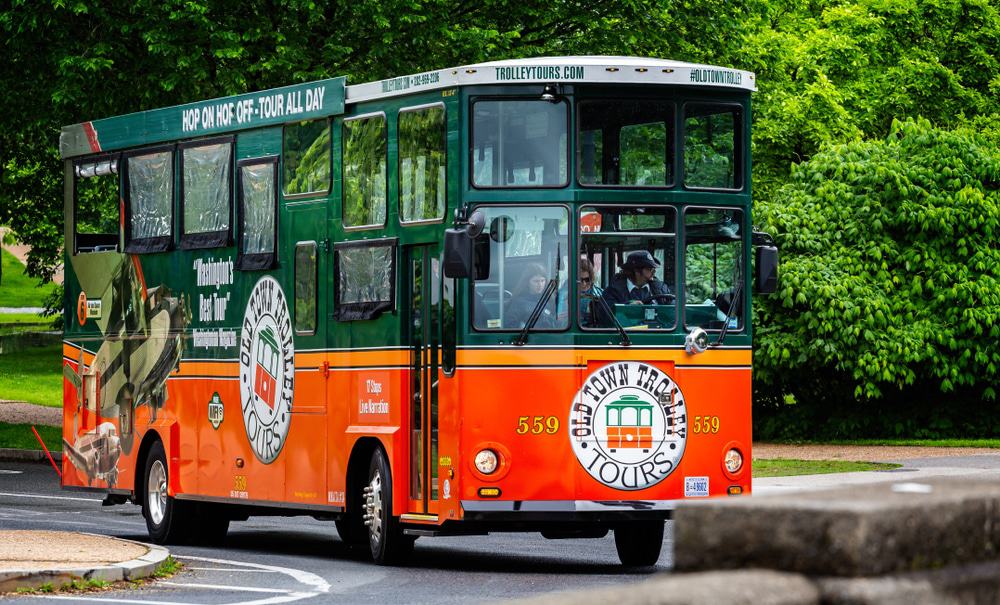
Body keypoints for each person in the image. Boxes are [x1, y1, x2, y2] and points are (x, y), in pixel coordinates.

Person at [596, 251, 672, 325]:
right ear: (636, 271)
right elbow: (605, 317)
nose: (654, 272)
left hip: (659, 335)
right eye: (649, 269)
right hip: (626, 336)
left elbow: (673, 313)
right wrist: (626, 308)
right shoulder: (613, 291)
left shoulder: (661, 289)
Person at [504, 263, 556, 329]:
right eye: (536, 281)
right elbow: (509, 325)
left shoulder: (550, 300)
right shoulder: (518, 303)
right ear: (527, 282)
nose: (540, 285)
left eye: (542, 281)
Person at [578, 257, 603, 327]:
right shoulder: (565, 296)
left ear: (591, 278)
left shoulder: (601, 294)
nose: (584, 284)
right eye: (580, 280)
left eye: (587, 279)